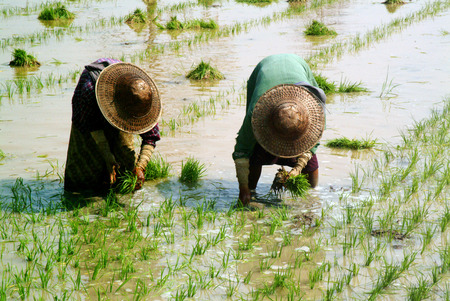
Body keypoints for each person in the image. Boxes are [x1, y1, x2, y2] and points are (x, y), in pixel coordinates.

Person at [232, 54, 326, 206]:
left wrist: (297, 169)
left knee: (310, 176)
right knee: (254, 148)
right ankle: (252, 191)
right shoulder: (256, 113)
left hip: (297, 63)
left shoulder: (314, 109)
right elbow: (242, 150)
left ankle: (311, 198)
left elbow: (313, 144)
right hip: (264, 70)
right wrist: (243, 188)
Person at [64, 58, 162, 194]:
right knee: (83, 177)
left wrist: (141, 167)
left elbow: (151, 136)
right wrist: (108, 157)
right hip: (89, 116)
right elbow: (91, 126)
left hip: (122, 101)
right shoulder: (88, 90)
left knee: (126, 166)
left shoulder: (143, 98)